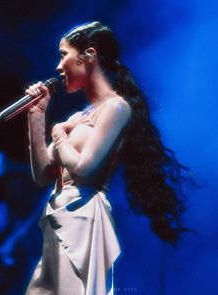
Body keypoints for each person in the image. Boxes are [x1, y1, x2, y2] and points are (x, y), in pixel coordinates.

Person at [25, 21, 189, 295]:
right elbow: (42, 175)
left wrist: (58, 133)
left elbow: (85, 170)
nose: (58, 66)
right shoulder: (77, 118)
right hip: (58, 215)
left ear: (88, 55)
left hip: (82, 217)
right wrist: (37, 116)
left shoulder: (115, 107)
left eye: (63, 54)